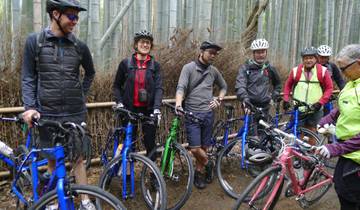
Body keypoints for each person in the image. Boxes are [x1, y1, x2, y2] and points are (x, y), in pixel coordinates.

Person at [21, 0, 95, 209]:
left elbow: (90, 72)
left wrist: (81, 94)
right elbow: (27, 77)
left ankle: (85, 200)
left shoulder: (79, 46)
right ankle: (53, 202)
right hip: (47, 112)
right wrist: (30, 107)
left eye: (77, 17)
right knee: (53, 159)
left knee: (78, 158)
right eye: (71, 16)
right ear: (55, 14)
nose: (75, 21)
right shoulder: (35, 42)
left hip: (74, 112)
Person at [175, 41, 227, 189]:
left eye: (215, 54)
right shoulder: (188, 68)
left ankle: (198, 174)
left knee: (204, 147)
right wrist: (178, 104)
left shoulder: (214, 71)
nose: (213, 56)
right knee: (194, 148)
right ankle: (209, 163)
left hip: (208, 114)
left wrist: (219, 99)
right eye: (210, 52)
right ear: (202, 51)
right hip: (192, 114)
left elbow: (224, 87)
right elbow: (181, 87)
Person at [316, 44, 360, 210]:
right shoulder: (352, 82)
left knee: (351, 196)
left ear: (359, 63)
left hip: (355, 156)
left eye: (344, 68)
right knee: (341, 188)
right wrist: (330, 117)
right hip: (348, 153)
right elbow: (345, 105)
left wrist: (337, 148)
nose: (341, 73)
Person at [113, 30, 163, 159]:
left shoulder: (155, 66)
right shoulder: (126, 64)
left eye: (148, 43)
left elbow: (158, 88)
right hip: (130, 110)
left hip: (148, 110)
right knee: (128, 144)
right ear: (136, 45)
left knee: (150, 144)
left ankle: (152, 175)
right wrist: (120, 103)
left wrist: (157, 108)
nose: (145, 45)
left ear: (151, 46)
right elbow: (116, 86)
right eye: (142, 42)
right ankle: (128, 176)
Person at [283, 46, 333, 139]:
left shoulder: (322, 71)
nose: (308, 60)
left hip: (315, 108)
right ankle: (297, 152)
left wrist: (320, 102)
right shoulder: (296, 71)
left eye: (311, 58)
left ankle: (310, 152)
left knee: (312, 131)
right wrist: (286, 99)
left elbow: (329, 88)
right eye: (306, 58)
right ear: (303, 59)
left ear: (315, 58)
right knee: (297, 131)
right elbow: (287, 85)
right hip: (299, 107)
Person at [235, 38, 281, 133]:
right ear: (253, 53)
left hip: (265, 106)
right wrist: (245, 99)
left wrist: (274, 96)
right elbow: (240, 85)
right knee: (251, 134)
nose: (260, 55)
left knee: (264, 134)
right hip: (250, 105)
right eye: (258, 52)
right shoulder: (246, 68)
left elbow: (278, 84)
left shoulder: (269, 68)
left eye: (263, 52)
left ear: (266, 52)